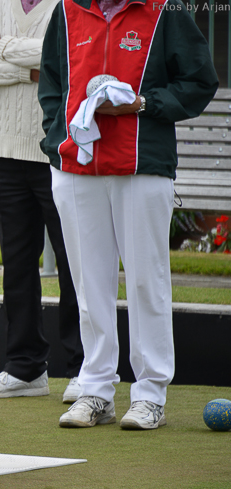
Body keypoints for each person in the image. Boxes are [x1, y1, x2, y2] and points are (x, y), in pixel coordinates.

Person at [38, 0, 218, 428]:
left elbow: (199, 81)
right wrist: (56, 136)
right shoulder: (66, 10)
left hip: (143, 165)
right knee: (88, 284)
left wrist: (142, 104)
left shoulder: (165, 9)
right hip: (76, 166)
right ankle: (96, 389)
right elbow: (51, 85)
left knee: (145, 281)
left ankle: (150, 394)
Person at [0, 0, 84, 403]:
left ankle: (86, 370)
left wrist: (2, 47)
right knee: (17, 267)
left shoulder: (68, 4)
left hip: (57, 150)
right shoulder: (2, 3)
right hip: (5, 151)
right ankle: (25, 368)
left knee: (74, 265)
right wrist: (28, 71)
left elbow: (66, 55)